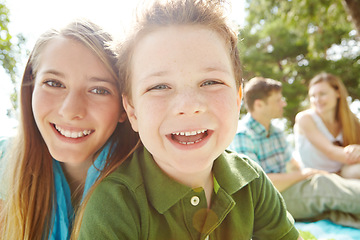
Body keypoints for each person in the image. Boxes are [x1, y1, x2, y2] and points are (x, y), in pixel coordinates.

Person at [74, 1, 302, 239]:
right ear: (132, 112)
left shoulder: (251, 180)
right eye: (159, 86)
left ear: (237, 99)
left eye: (211, 82)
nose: (189, 106)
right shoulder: (114, 205)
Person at [0, 20, 139, 239]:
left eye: (98, 90)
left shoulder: (148, 184)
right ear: (31, 88)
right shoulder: (3, 163)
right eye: (54, 83)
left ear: (125, 106)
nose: (71, 110)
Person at [229, 76, 360, 228]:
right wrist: (305, 174)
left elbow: (292, 166)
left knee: (334, 209)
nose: (283, 103)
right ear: (259, 105)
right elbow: (258, 186)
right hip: (266, 202)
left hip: (286, 192)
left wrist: (305, 174)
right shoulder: (243, 135)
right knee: (322, 186)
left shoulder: (276, 133)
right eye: (278, 100)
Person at [294, 72, 360, 179]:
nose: (317, 100)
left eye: (322, 94)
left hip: (342, 173)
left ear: (337, 93)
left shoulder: (351, 122)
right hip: (317, 177)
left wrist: (356, 150)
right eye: (313, 96)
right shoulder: (305, 119)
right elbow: (331, 152)